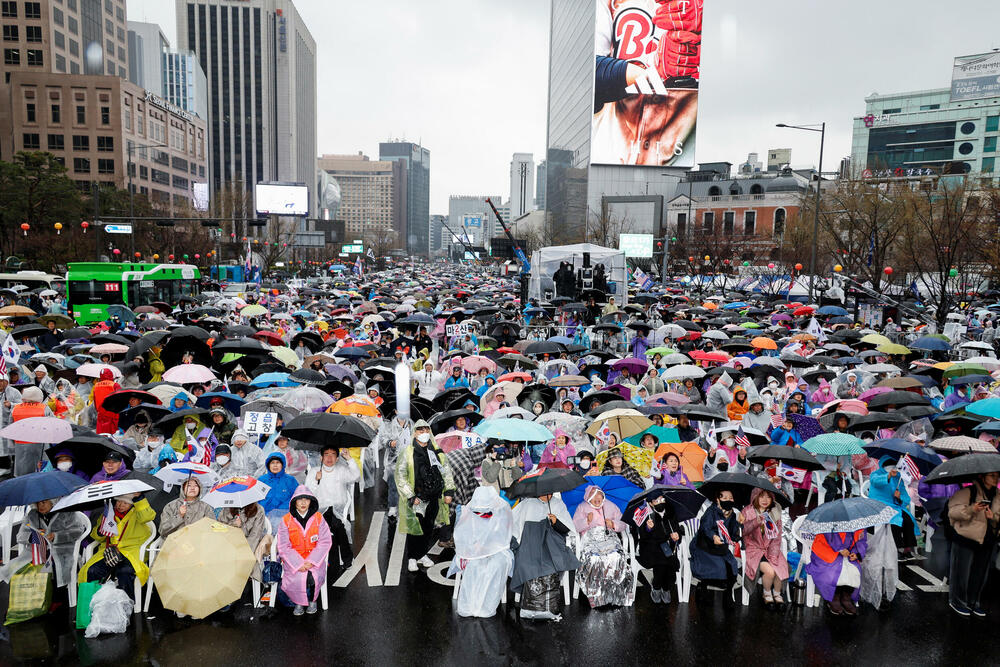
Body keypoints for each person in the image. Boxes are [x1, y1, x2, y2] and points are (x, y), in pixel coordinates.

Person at [395, 420, 455, 573]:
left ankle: (422, 554)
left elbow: (446, 471)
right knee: (414, 528)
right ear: (414, 433)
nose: (424, 433)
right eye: (420, 430)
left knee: (428, 527)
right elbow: (400, 476)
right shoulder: (407, 453)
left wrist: (448, 491)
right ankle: (412, 557)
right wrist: (410, 496)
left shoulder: (437, 452)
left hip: (434, 496)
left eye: (426, 430)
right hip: (417, 499)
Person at [510, 493, 579, 620]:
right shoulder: (528, 504)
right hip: (530, 543)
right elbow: (514, 524)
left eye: (550, 492)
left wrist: (556, 522)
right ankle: (531, 606)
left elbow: (567, 529)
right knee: (527, 563)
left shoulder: (557, 504)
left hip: (552, 544)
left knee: (552, 563)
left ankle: (546, 607)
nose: (548, 495)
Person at [449, 486, 515, 618]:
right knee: (474, 566)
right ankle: (471, 605)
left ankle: (486, 606)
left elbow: (504, 537)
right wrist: (475, 546)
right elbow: (461, 537)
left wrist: (490, 547)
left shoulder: (501, 512)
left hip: (497, 550)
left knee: (496, 566)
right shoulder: (466, 512)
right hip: (471, 552)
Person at [78, 493, 156, 600]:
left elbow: (148, 516)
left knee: (125, 572)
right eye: (119, 501)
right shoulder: (109, 513)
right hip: (109, 551)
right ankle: (93, 601)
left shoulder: (138, 513)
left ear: (132, 504)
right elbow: (97, 537)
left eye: (125, 503)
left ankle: (127, 603)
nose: (121, 505)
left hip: (131, 551)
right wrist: (101, 531)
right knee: (92, 571)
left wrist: (139, 498)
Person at [946, 471, 999, 617]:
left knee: (980, 574)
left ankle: (973, 602)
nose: (996, 479)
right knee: (961, 573)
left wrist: (993, 517)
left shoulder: (998, 495)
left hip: (987, 540)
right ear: (982, 476)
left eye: (997, 476)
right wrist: (972, 509)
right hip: (966, 538)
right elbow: (953, 512)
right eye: (992, 475)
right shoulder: (968, 492)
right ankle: (957, 601)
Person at [571, 486, 632, 607]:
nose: (596, 498)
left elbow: (623, 523)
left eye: (599, 494)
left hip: (609, 538)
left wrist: (613, 524)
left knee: (616, 556)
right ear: (588, 497)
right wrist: (586, 521)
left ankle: (617, 594)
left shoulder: (610, 505)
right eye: (593, 495)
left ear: (603, 495)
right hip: (590, 540)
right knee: (594, 558)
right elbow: (575, 526)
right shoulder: (582, 507)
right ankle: (594, 594)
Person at [276, 486, 332, 616]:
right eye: (299, 499)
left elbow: (324, 541)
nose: (303, 503)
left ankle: (312, 600)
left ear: (311, 501)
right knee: (297, 578)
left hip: (315, 561)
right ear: (294, 502)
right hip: (293, 561)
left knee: (312, 576)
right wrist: (298, 563)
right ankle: (298, 602)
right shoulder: (286, 520)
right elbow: (283, 546)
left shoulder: (319, 518)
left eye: (306, 499)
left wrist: (311, 561)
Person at [12, 498, 89, 592]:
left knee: (57, 566)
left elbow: (78, 531)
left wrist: (56, 536)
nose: (40, 506)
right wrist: (34, 537)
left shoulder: (66, 512)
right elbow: (20, 536)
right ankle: (36, 595)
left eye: (43, 502)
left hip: (63, 550)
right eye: (37, 503)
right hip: (37, 552)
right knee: (20, 568)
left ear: (52, 502)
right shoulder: (32, 515)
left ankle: (58, 595)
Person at [306, 445, 360, 572]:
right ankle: (333, 559)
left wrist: (349, 459)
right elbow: (308, 493)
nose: (329, 458)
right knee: (332, 527)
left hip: (338, 509)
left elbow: (356, 477)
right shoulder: (314, 471)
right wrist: (316, 480)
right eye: (326, 454)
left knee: (337, 526)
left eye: (333, 455)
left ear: (337, 458)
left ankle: (345, 559)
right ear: (321, 457)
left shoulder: (341, 470)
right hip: (320, 510)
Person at [740, 488, 788, 608]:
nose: (765, 500)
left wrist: (773, 555)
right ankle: (766, 593)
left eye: (768, 497)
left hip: (770, 549)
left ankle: (777, 594)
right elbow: (742, 531)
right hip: (753, 550)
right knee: (770, 571)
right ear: (755, 497)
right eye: (761, 496)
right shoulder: (747, 511)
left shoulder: (774, 513)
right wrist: (756, 522)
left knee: (781, 568)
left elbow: (776, 538)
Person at [805, 529, 867, 616]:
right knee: (833, 572)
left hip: (847, 553)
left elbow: (862, 541)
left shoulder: (859, 524)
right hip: (826, 550)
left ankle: (846, 597)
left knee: (854, 571)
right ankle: (834, 596)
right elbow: (829, 533)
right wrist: (840, 549)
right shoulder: (829, 521)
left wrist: (856, 553)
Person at [690, 489, 741, 592]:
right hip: (704, 545)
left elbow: (732, 534)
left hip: (720, 547)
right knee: (718, 567)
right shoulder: (711, 511)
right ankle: (703, 586)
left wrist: (739, 523)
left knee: (732, 566)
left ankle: (719, 586)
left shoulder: (732, 514)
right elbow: (705, 527)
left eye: (731, 498)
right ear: (718, 500)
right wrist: (713, 536)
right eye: (725, 498)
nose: (728, 500)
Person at [635, 490, 682, 604]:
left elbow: (677, 531)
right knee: (661, 564)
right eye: (656, 501)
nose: (660, 502)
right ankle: (656, 586)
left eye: (662, 499)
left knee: (671, 565)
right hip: (650, 548)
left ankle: (666, 588)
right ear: (651, 503)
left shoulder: (670, 512)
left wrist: (676, 536)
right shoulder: (646, 514)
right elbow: (643, 536)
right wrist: (648, 528)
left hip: (667, 547)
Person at [868, 457, 919, 559]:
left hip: (895, 506)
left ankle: (908, 548)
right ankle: (896, 549)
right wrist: (888, 476)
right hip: (879, 506)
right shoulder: (875, 474)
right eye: (888, 466)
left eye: (893, 466)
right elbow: (875, 482)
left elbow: (905, 498)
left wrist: (899, 497)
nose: (891, 468)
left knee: (908, 521)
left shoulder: (898, 478)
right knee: (895, 522)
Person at [11, 385, 53, 476]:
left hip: (20, 443)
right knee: (38, 468)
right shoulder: (44, 408)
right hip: (39, 443)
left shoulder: (16, 408)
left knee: (22, 466)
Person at [376, 412, 411, 519]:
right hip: (393, 460)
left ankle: (407, 506)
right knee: (393, 484)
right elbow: (383, 439)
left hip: (408, 458)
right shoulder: (389, 426)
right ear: (396, 411)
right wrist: (391, 443)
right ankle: (393, 506)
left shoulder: (411, 424)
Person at [259, 452, 302, 531]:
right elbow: (257, 499)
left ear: (283, 465)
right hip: (264, 517)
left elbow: (296, 498)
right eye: (272, 463)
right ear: (268, 465)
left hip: (284, 517)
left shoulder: (290, 480)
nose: (275, 465)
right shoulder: (262, 480)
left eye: (278, 462)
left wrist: (278, 512)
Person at [92, 368, 121, 434]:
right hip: (113, 414)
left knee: (102, 434)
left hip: (101, 414)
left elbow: (95, 400)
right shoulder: (115, 385)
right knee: (114, 435)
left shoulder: (96, 385)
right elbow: (120, 399)